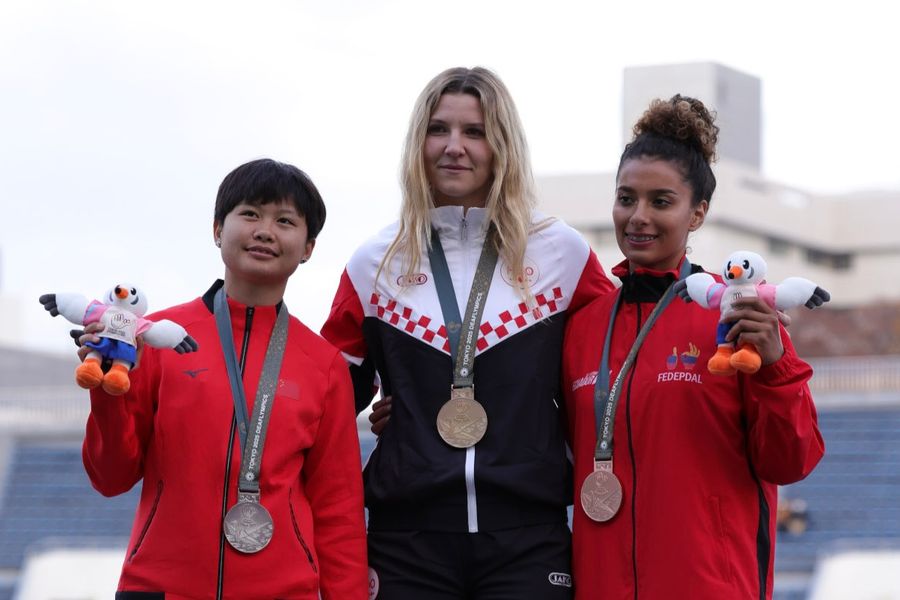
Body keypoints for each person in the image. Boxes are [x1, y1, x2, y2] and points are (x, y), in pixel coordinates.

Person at [321, 67, 613, 599]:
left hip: (527, 538)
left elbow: (613, 370)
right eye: (439, 129)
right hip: (406, 541)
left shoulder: (562, 254)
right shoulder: (374, 263)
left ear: (502, 146)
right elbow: (320, 402)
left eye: (474, 132)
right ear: (419, 142)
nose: (454, 147)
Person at [50, 159, 368, 599]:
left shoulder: (324, 365)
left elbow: (339, 512)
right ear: (218, 229)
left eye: (285, 221)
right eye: (250, 214)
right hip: (159, 588)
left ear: (308, 247)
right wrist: (108, 393)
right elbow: (110, 478)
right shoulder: (155, 340)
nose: (265, 231)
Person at [561, 96, 825, 599]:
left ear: (697, 213)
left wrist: (775, 366)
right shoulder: (582, 327)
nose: (638, 217)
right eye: (626, 198)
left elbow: (791, 461)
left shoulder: (737, 316)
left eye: (661, 201)